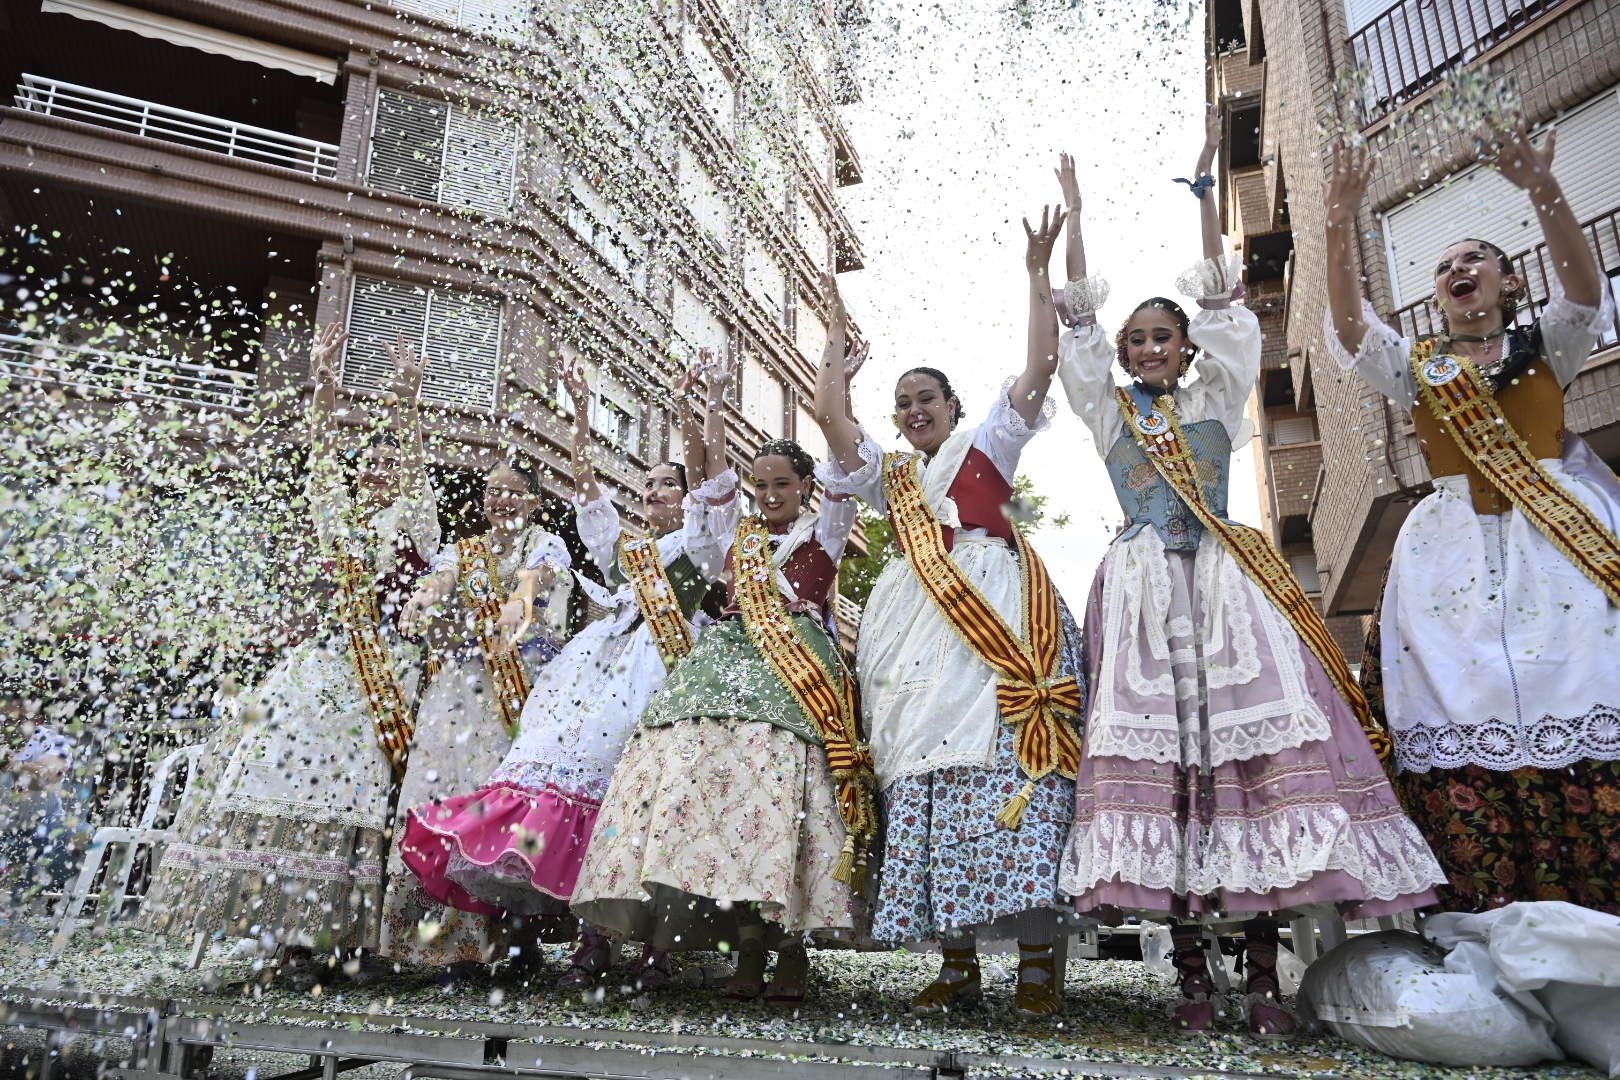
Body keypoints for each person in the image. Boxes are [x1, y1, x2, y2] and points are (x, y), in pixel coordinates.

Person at [1055, 116, 1444, 1036]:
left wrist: (1201, 208)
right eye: (1136, 340)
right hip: (1148, 596)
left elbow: (1232, 310)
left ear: (1185, 349)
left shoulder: (1219, 398)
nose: (1148, 349)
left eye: (1163, 337)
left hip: (1227, 591)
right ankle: (1193, 974)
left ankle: (1263, 973)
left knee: (1249, 763)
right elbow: (1072, 320)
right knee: (1178, 774)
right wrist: (1076, 217)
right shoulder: (1110, 418)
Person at [1324, 126, 1619, 915]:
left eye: (1474, 259)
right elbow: (1351, 329)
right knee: (1457, 701)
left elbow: (1586, 291)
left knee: (1582, 683)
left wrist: (1543, 188)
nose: (1458, 270)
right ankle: (1485, 908)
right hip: (1451, 561)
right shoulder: (1420, 368)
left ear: (1509, 283)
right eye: (1444, 264)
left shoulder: (1548, 347)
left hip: (1555, 548)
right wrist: (1338, 221)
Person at [811, 209, 1085, 1017]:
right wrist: (835, 343)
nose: (912, 409)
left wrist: (1037, 275)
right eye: (901, 403)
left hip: (997, 620)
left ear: (953, 404)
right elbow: (830, 418)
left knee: (1012, 774)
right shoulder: (890, 476)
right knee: (928, 783)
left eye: (925, 397)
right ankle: (957, 964)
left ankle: (1039, 962)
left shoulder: (987, 447)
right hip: (914, 638)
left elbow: (1040, 364)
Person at [400, 358, 725, 990]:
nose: (654, 493)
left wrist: (694, 410)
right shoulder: (626, 549)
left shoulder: (702, 540)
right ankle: (592, 939)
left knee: (639, 800)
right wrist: (580, 413)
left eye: (668, 485)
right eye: (650, 485)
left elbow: (710, 482)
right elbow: (587, 489)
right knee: (574, 789)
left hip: (664, 666)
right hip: (600, 669)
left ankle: (656, 945)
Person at [141, 325, 440, 985]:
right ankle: (293, 937)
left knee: (367, 797)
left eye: (390, 463)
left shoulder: (414, 522)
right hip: (326, 667)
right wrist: (325, 382)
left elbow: (417, 470)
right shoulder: (345, 522)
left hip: (387, 673)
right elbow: (320, 461)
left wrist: (406, 404)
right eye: (373, 463)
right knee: (282, 775)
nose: (379, 470)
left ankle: (359, 940)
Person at [570, 429, 873, 1004]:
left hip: (796, 666)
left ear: (808, 486)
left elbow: (839, 449)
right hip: (725, 664)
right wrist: (705, 407)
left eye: (782, 483)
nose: (769, 494)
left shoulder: (826, 532)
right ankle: (746, 941)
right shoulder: (734, 537)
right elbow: (708, 479)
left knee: (783, 801)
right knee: (723, 797)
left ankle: (787, 946)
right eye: (760, 484)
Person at [380, 458, 574, 975]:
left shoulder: (546, 545)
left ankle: (509, 939)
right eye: (493, 492)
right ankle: (442, 945)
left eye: (513, 493)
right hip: (457, 696)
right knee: (442, 798)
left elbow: (536, 579)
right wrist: (422, 597)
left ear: (534, 501)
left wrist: (518, 602)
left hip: (519, 694)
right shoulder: (465, 550)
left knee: (502, 812)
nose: (501, 501)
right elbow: (441, 579)